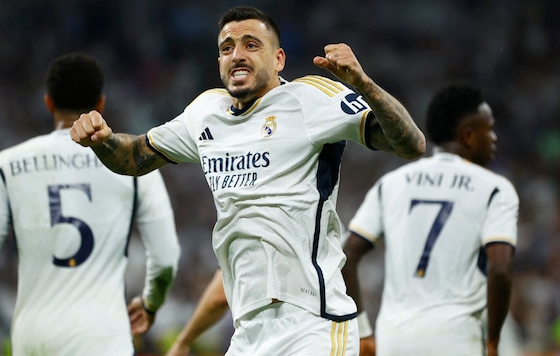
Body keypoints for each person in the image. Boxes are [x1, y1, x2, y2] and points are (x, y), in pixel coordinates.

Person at [71, 6, 425, 354]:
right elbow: (134, 156)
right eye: (227, 48)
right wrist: (103, 141)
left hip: (313, 324)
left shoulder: (310, 98)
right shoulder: (205, 113)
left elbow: (411, 144)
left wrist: (364, 85)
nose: (237, 55)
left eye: (251, 45)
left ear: (279, 59)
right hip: (248, 331)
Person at [0, 52, 180, 355]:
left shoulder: (7, 164)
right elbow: (166, 255)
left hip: (34, 337)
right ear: (100, 103)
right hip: (103, 337)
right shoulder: (132, 165)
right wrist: (152, 302)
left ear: (48, 102)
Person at [343, 83, 519, 356]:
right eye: (490, 129)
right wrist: (493, 340)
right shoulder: (495, 188)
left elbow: (347, 255)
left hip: (394, 339)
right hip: (456, 338)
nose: (494, 138)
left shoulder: (391, 183)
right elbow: (499, 269)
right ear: (469, 135)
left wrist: (363, 331)